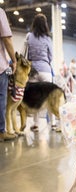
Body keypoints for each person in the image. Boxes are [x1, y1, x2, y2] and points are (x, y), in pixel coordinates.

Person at [26, 13, 57, 132]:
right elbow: (51, 56)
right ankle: (53, 123)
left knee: (35, 99)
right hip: (46, 71)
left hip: (33, 70)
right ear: (45, 24)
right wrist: (45, 62)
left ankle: (36, 124)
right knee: (50, 97)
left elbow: (27, 55)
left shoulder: (29, 36)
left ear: (34, 23)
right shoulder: (48, 38)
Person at [0, 8, 17, 142]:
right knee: (2, 99)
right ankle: (1, 132)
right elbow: (6, 38)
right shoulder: (0, 12)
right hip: (1, 67)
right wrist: (14, 60)